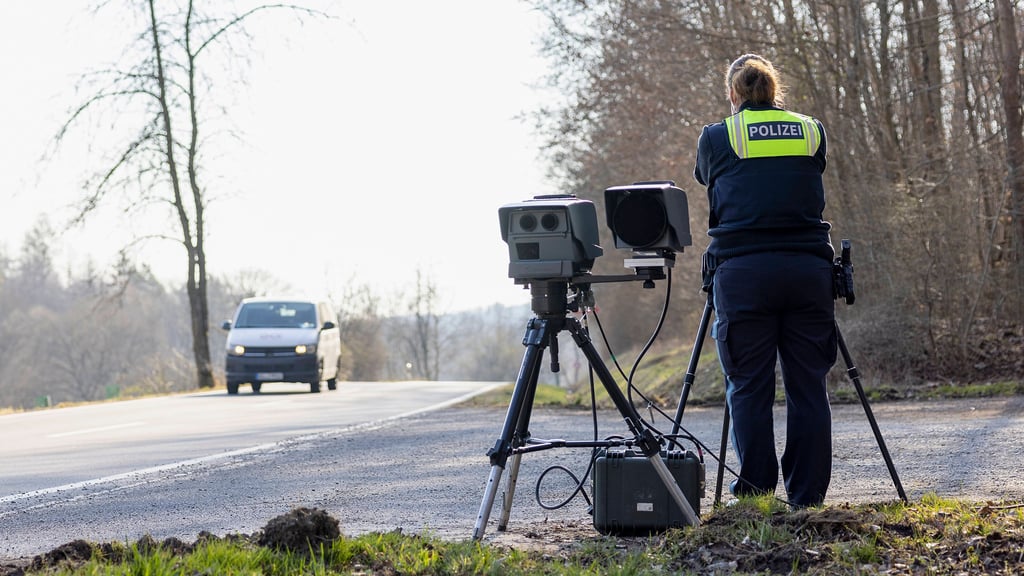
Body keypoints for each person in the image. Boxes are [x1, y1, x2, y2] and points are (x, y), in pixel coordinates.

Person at [692, 53, 838, 508]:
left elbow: (704, 177)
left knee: (749, 385)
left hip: (743, 274)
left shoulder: (718, 136)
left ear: (733, 94)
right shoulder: (812, 130)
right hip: (808, 272)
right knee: (808, 385)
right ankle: (807, 496)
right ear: (776, 91)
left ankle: (755, 492)